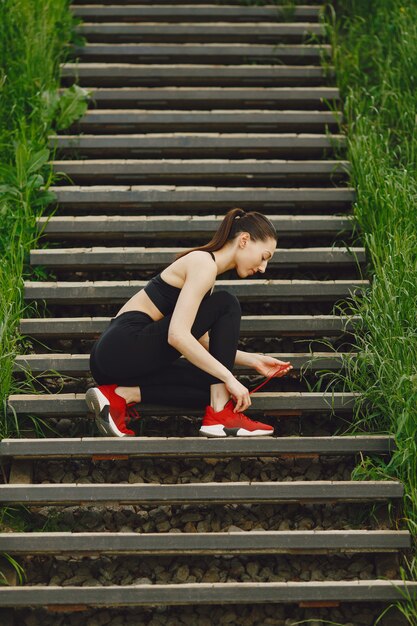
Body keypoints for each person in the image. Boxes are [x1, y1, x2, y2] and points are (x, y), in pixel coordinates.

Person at [86, 207, 293, 438]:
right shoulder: (203, 264)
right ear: (244, 240)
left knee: (212, 385)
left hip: (117, 364)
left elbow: (199, 340)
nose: (263, 267)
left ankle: (120, 395)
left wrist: (253, 360)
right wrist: (229, 377)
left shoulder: (207, 273)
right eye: (264, 257)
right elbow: (177, 335)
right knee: (227, 304)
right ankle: (220, 415)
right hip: (122, 346)